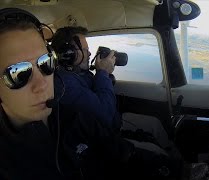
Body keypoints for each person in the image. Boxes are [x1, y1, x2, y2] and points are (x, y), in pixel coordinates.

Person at [0, 8, 176, 180]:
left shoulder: (75, 120)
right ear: (69, 54)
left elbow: (122, 151)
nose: (41, 84)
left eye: (46, 63)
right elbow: (105, 116)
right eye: (18, 73)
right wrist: (103, 74)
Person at [51, 26, 120, 130]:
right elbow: (106, 114)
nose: (89, 53)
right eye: (85, 50)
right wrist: (103, 72)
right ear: (69, 53)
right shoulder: (63, 83)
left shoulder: (79, 73)